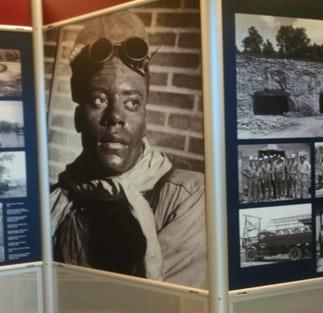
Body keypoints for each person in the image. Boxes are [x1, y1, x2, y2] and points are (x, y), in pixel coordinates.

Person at [50, 12, 206, 289]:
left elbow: (163, 311)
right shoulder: (57, 202)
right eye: (99, 99)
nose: (115, 117)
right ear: (78, 119)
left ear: (145, 119)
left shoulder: (188, 198)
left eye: (132, 103)